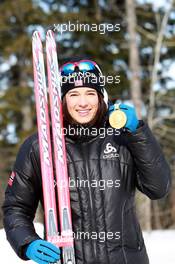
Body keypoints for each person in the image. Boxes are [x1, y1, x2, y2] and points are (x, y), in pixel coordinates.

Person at [2, 59, 171, 264]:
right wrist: (27, 242)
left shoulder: (122, 137)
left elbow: (158, 188)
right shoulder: (39, 146)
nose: (82, 102)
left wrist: (138, 133)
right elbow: (16, 207)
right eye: (73, 94)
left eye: (90, 93)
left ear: (101, 98)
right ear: (61, 100)